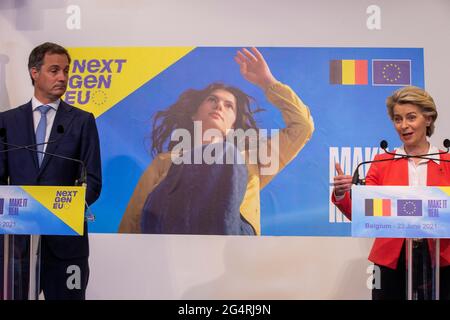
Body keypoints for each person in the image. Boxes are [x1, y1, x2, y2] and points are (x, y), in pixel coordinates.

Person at [119, 47, 314, 235]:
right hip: (169, 231)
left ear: (233, 125)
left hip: (230, 237)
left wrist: (267, 82)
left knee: (226, 153)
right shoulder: (165, 160)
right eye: (212, 100)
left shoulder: (254, 159)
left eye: (228, 106)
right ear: (194, 114)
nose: (219, 106)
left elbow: (302, 126)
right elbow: (133, 218)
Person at [0, 42, 102, 299]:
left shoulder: (82, 121)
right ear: (35, 73)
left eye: (66, 71)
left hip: (66, 246)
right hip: (17, 247)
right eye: (54, 70)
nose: (63, 77)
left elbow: (93, 180)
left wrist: (61, 210)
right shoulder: (7, 122)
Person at [332, 86, 450, 300]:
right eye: (397, 119)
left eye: (411, 117)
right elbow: (362, 213)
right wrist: (344, 193)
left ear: (428, 119)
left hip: (440, 260)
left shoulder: (448, 163)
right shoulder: (381, 163)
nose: (403, 126)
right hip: (392, 262)